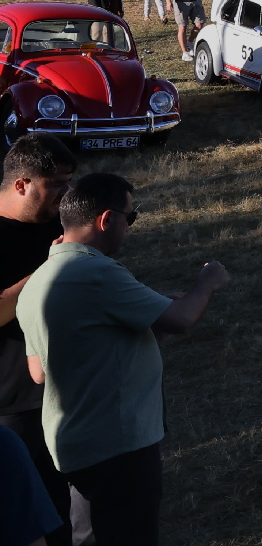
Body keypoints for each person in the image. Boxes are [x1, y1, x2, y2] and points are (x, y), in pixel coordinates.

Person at [20, 172, 229, 546]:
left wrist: (148, 322)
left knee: (89, 536)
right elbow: (182, 319)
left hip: (72, 446)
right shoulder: (96, 272)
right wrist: (208, 282)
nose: (129, 227)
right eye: (130, 218)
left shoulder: (36, 281)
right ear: (106, 219)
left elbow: (38, 372)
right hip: (119, 448)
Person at [1, 137, 77, 546]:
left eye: (70, 182)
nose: (67, 194)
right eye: (57, 184)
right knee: (22, 517)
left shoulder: (57, 227)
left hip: (62, 394)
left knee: (63, 512)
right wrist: (47, 269)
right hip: (10, 405)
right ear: (21, 184)